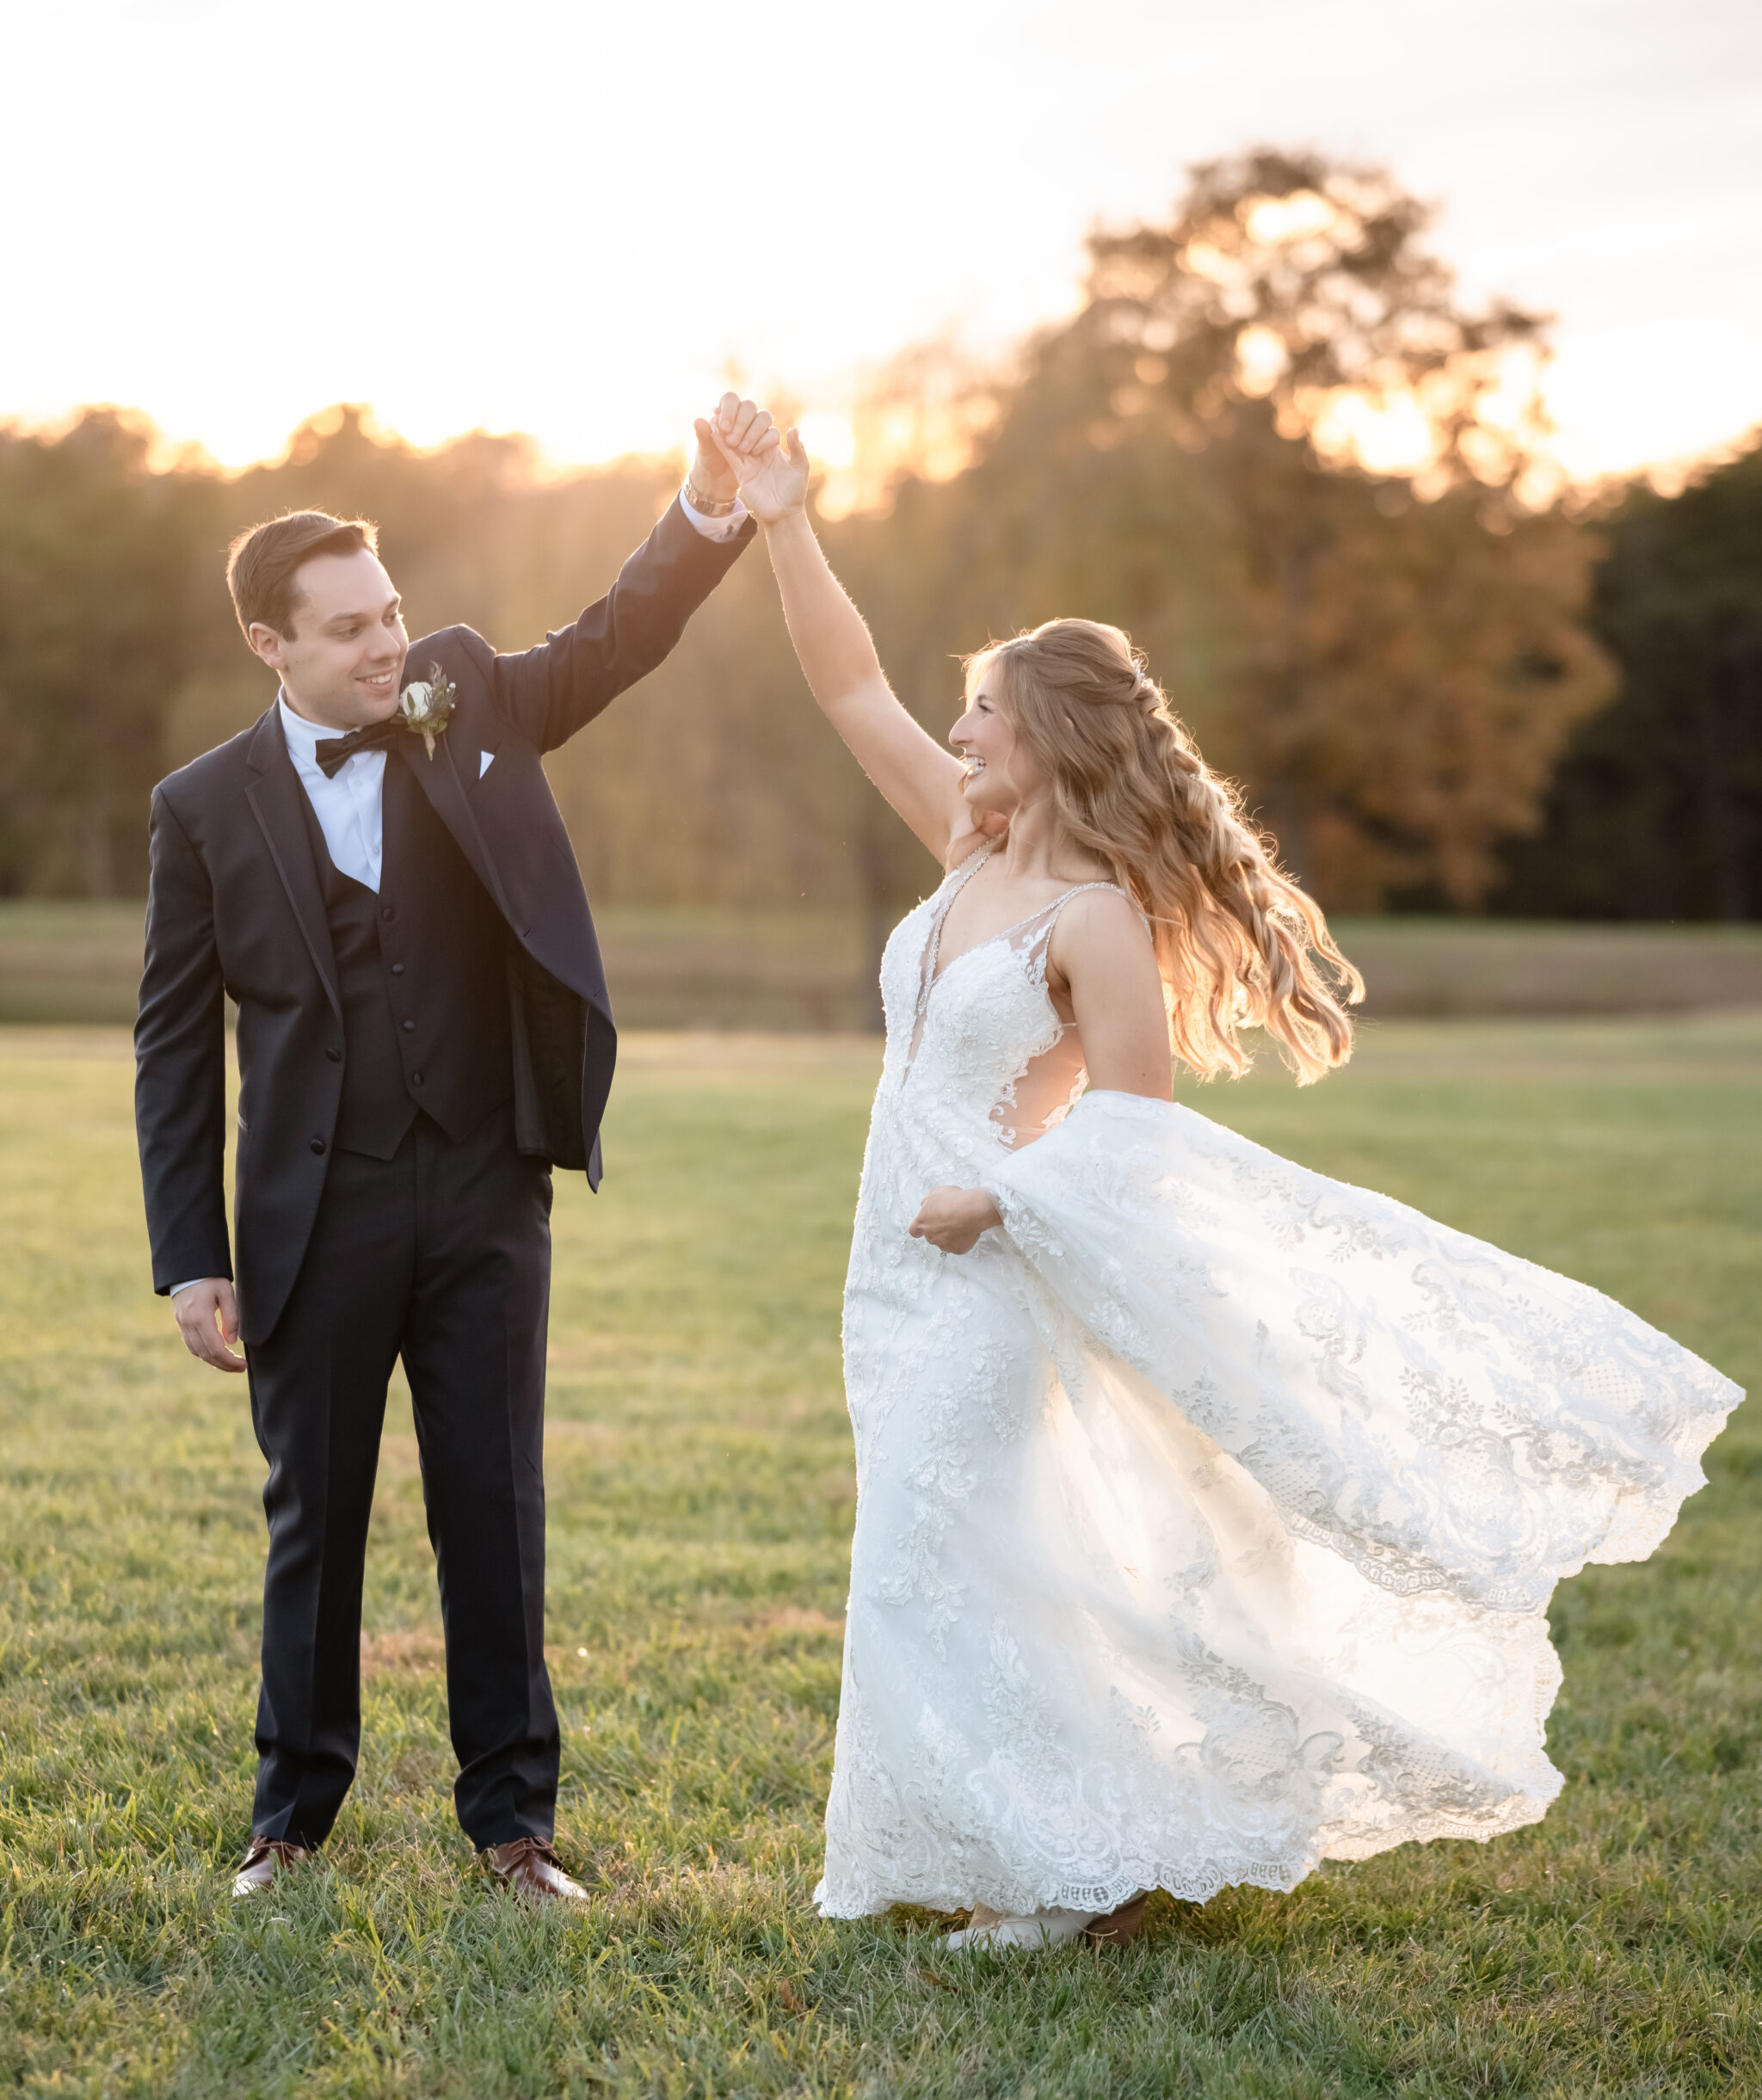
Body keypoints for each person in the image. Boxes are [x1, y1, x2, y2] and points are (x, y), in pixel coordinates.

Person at [709, 420, 1745, 1951]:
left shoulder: (1094, 919)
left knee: (950, 1549)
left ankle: (1059, 1876)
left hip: (995, 1264)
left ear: (1054, 735)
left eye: (985, 712)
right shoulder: (959, 845)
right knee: (951, 1553)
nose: (962, 729)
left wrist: (1000, 1202)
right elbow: (847, 682)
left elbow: (1139, 1131)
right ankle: (1044, 1845)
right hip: (888, 1262)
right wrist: (786, 521)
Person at [134, 394, 781, 1902]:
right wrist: (188, 1259)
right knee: (317, 1524)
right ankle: (288, 1826)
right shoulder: (200, 810)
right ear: (270, 646)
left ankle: (514, 1829)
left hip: (486, 1189)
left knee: (493, 1506)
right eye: (350, 629)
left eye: (392, 615)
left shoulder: (469, 694)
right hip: (311, 1214)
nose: (386, 647)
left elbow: (615, 639)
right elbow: (175, 1045)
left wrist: (702, 507)